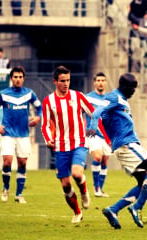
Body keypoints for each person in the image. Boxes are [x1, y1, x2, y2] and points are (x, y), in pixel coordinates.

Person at [87, 73, 147, 229]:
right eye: (132, 88)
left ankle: (113, 210)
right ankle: (137, 207)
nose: (134, 91)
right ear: (123, 86)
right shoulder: (114, 97)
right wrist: (93, 127)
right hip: (127, 145)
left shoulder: (122, 100)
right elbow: (97, 111)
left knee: (143, 181)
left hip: (126, 145)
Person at [41, 66, 108, 223]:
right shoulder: (49, 101)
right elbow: (44, 124)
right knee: (65, 185)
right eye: (62, 81)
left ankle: (84, 192)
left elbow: (94, 113)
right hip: (60, 146)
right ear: (55, 82)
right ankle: (77, 212)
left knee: (77, 173)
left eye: (68, 80)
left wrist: (96, 130)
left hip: (79, 142)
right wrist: (48, 139)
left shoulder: (78, 96)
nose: (66, 83)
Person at [0, 66, 42, 204]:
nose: (18, 79)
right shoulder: (3, 94)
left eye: (20, 77)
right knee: (7, 161)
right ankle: (6, 188)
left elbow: (39, 107)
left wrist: (38, 117)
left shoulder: (29, 93)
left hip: (23, 134)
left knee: (22, 163)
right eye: (15, 77)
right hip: (7, 133)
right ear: (11, 78)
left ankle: (19, 194)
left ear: (23, 79)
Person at [85, 72, 111, 197]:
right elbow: (79, 113)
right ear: (94, 82)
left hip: (106, 135)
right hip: (93, 133)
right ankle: (96, 189)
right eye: (98, 80)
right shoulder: (87, 98)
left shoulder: (109, 99)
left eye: (103, 80)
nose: (100, 82)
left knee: (105, 161)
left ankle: (100, 189)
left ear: (105, 83)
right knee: (98, 157)